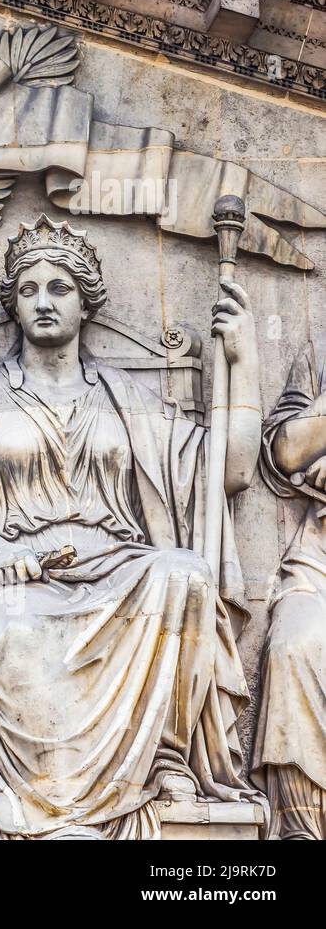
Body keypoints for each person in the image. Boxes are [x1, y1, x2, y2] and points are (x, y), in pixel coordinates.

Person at [0, 214, 260, 838]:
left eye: (59, 287)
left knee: (186, 576)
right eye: (28, 289)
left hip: (119, 572)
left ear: (86, 298)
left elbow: (227, 473)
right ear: (13, 305)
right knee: (10, 620)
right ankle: (55, 803)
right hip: (19, 576)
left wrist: (245, 357)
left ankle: (166, 759)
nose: (43, 301)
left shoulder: (129, 399)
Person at [253, 336, 326, 838]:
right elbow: (287, 449)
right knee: (292, 645)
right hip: (319, 557)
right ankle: (301, 827)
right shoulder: (319, 351)